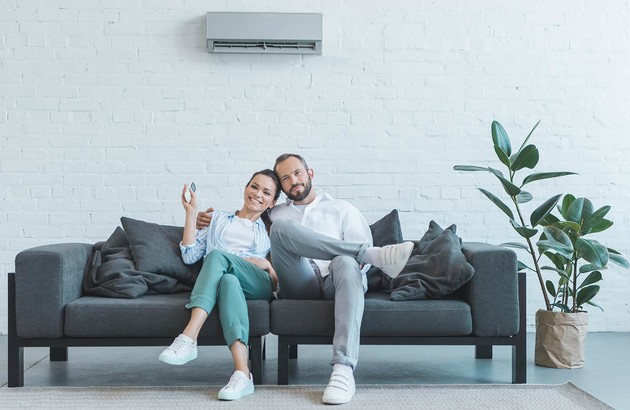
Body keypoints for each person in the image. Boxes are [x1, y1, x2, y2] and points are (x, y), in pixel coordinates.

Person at [197, 154, 414, 405]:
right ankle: (369, 253)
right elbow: (246, 222)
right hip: (298, 282)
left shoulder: (342, 209)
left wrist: (351, 258)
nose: (293, 181)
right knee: (281, 229)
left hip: (338, 280)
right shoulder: (275, 213)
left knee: (345, 261)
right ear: (281, 187)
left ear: (310, 173)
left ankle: (343, 370)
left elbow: (359, 268)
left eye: (298, 173)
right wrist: (207, 220)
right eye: (285, 178)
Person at [158, 169, 281, 401]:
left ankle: (189, 336)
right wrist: (192, 213)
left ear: (272, 202)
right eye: (254, 186)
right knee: (227, 280)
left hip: (258, 282)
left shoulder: (271, 231)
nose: (257, 194)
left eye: (266, 192)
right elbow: (190, 255)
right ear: (245, 188)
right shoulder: (217, 218)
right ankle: (243, 373)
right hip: (229, 278)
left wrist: (267, 265)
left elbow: (281, 280)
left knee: (216, 256)